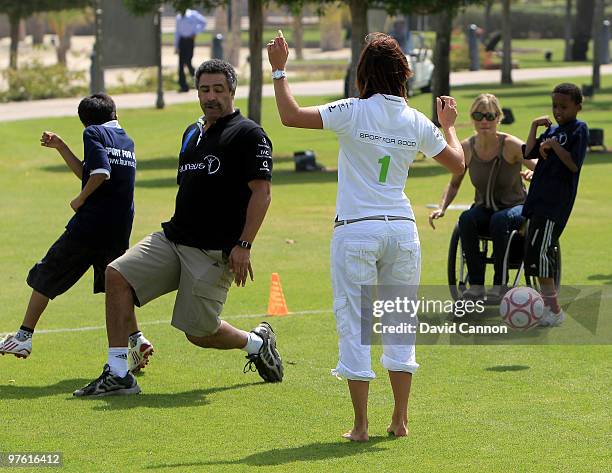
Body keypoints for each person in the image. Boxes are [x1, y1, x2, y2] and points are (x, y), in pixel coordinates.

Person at [267, 31, 464, 441]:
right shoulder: (415, 120)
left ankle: (360, 425)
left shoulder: (353, 111)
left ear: (364, 73)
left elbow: (290, 115)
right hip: (402, 231)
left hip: (357, 230)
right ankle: (400, 420)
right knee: (399, 323)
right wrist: (449, 127)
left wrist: (280, 69)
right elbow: (457, 163)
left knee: (354, 324)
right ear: (403, 74)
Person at [73, 59, 282, 397]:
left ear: (232, 90)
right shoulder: (192, 132)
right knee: (116, 275)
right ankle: (118, 373)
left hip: (213, 252)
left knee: (199, 334)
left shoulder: (249, 134)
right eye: (204, 89)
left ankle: (256, 343)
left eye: (217, 89)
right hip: (173, 239)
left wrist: (244, 244)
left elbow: (263, 193)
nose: (210, 96)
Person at [0, 94, 149, 369]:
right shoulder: (125, 139)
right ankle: (136, 340)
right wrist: (61, 147)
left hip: (91, 224)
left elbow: (100, 172)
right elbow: (89, 170)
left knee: (47, 272)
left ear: (85, 122)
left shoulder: (93, 132)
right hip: (118, 227)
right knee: (115, 286)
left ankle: (23, 336)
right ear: (114, 113)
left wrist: (80, 199)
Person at [429, 93, 536, 301]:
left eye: (489, 115)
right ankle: (476, 285)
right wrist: (442, 207)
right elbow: (454, 184)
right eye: (478, 116)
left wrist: (534, 173)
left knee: (500, 219)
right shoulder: (467, 147)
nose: (484, 121)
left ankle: (500, 284)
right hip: (485, 207)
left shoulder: (511, 144)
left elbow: (539, 165)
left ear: (498, 117)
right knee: (466, 219)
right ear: (472, 118)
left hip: (515, 207)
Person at [522, 83, 588, 326]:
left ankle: (554, 310)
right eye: (555, 106)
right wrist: (534, 128)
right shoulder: (552, 131)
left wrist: (554, 146)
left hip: (554, 204)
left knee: (541, 253)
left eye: (564, 106)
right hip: (537, 200)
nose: (558, 111)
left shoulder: (579, 129)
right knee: (534, 253)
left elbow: (573, 165)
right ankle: (546, 307)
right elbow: (528, 153)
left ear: (578, 107)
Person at [175, 8, 207, 92]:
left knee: (188, 62)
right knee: (181, 65)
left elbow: (203, 22)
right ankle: (183, 86)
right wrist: (176, 46)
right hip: (182, 41)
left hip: (190, 40)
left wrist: (196, 32)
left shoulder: (193, 14)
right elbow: (177, 32)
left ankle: (199, 80)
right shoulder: (178, 17)